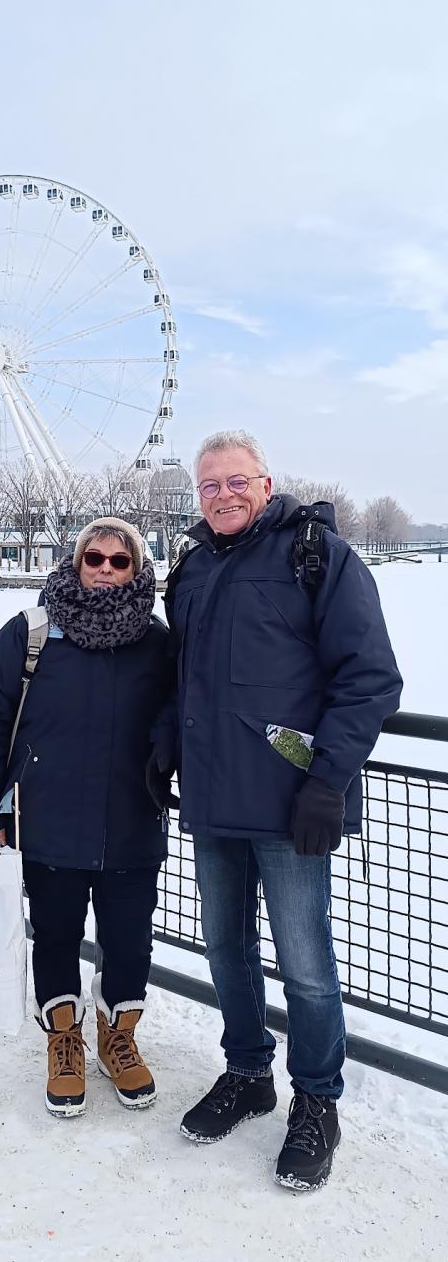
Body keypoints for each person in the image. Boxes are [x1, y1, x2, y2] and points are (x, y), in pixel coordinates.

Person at [149, 430, 402, 1190]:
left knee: (307, 967)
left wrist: (328, 780)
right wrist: (164, 747)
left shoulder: (317, 556)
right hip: (214, 802)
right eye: (207, 486)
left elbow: (371, 677)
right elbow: (182, 677)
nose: (221, 495)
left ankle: (318, 1101)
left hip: (292, 807)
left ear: (265, 483)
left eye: (235, 481)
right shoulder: (191, 569)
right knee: (225, 949)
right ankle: (247, 1072)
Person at [0, 518, 172, 1118]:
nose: (105, 568)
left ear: (136, 569)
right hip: (48, 819)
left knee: (129, 940)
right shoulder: (31, 633)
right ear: (76, 562)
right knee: (55, 934)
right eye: (94, 558)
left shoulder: (157, 644)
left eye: (119, 561)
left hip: (133, 819)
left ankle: (118, 1034)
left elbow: (184, 713)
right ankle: (63, 1038)